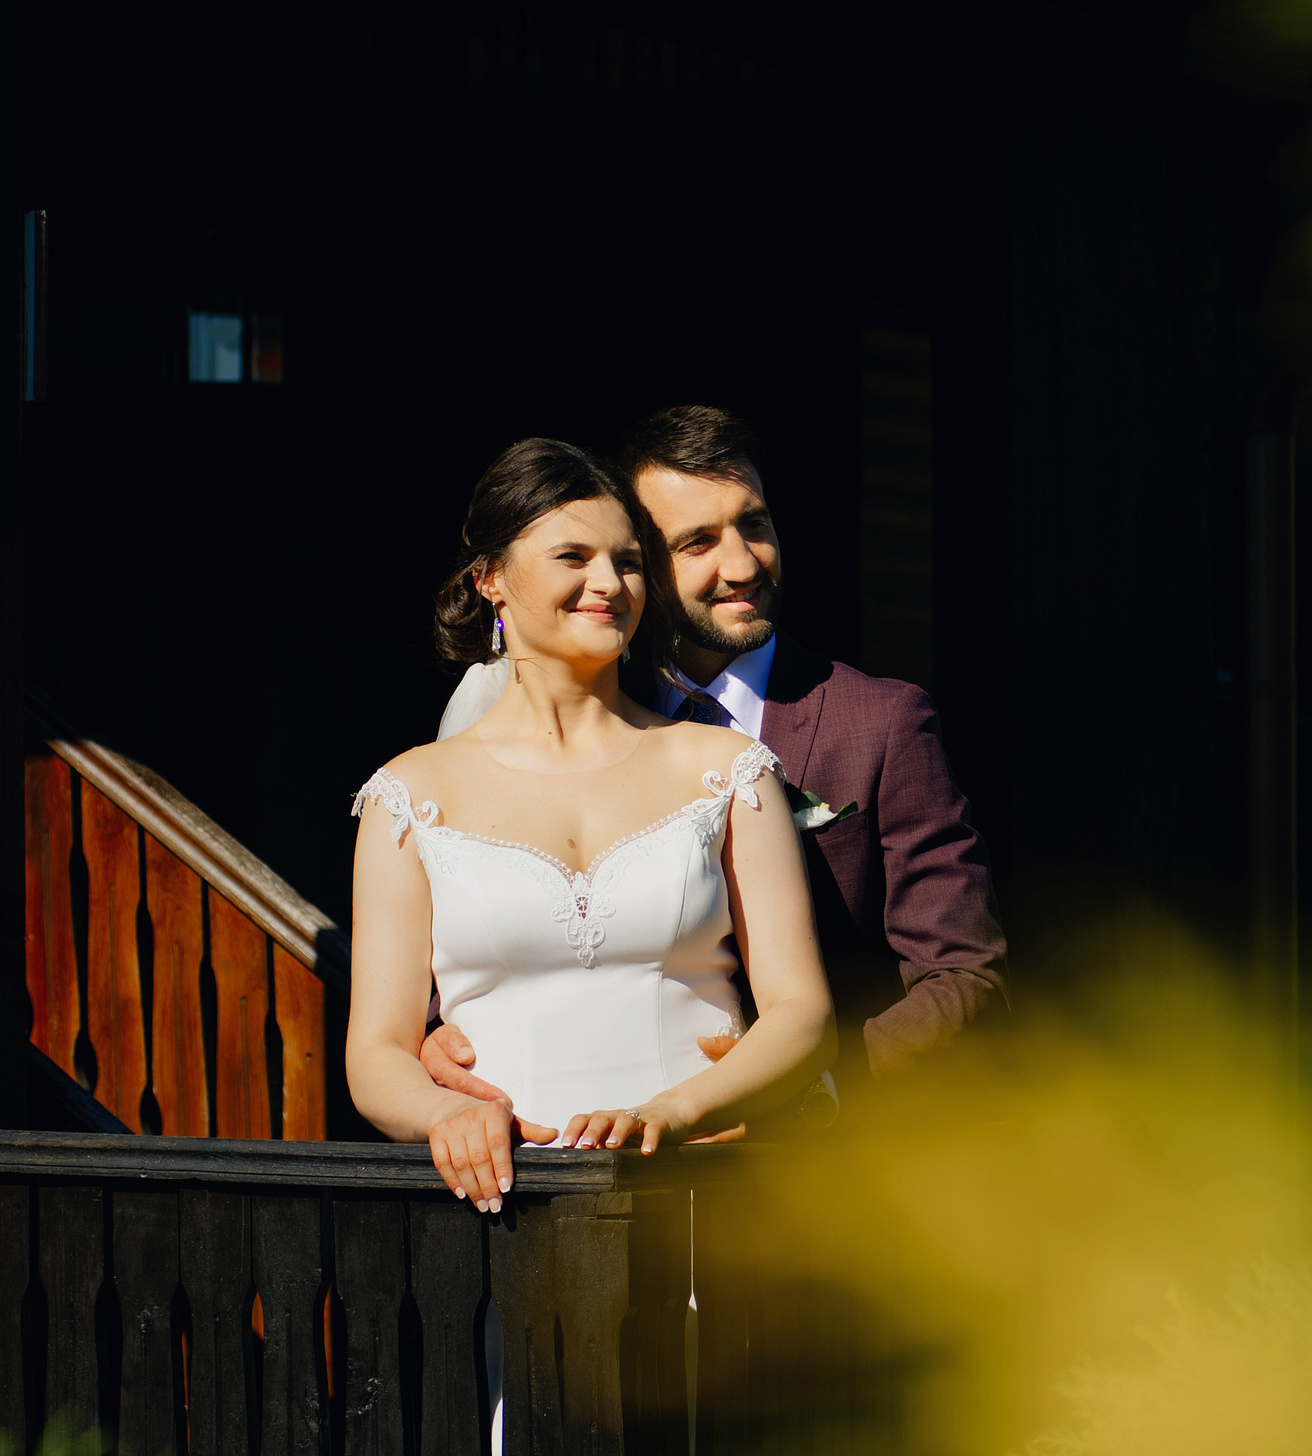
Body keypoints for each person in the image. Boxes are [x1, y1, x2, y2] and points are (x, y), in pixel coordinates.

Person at [424, 406, 1006, 1116]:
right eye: (698, 541)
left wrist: (813, 1086)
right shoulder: (573, 714)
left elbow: (967, 976)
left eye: (753, 524)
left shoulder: (882, 722)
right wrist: (437, 1037)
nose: (743, 564)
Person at [344, 438, 836, 1210]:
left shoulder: (727, 769)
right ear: (492, 581)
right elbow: (376, 1052)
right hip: (503, 1202)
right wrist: (447, 1113)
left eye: (629, 561)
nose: (608, 583)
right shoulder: (407, 796)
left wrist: (674, 1112)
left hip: (698, 1186)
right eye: (573, 556)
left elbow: (803, 1011)